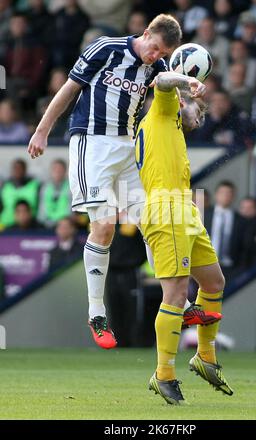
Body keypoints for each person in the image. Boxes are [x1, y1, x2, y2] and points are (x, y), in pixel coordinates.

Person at [27, 14, 183, 350]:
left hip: (128, 147)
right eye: (154, 48)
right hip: (92, 144)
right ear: (145, 34)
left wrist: (190, 89)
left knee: (153, 220)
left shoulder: (157, 67)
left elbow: (171, 95)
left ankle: (178, 301)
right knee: (104, 227)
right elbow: (69, 89)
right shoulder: (106, 48)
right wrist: (42, 130)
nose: (155, 56)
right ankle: (97, 313)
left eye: (162, 53)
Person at [135, 71, 233, 405]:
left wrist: (189, 96)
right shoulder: (161, 110)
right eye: (195, 106)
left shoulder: (173, 128)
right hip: (166, 210)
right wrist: (184, 81)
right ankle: (163, 374)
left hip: (184, 209)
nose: (199, 114)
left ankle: (204, 356)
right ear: (179, 100)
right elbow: (162, 79)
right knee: (176, 294)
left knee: (214, 282)